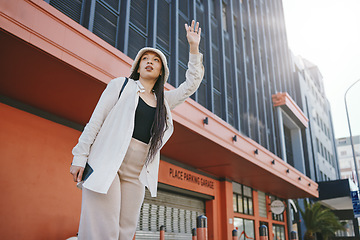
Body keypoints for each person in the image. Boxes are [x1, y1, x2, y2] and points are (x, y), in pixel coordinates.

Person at [70, 20, 204, 240]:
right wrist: (79, 156)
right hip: (108, 161)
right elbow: (95, 122)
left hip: (138, 170)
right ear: (138, 65)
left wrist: (193, 47)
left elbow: (191, 84)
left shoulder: (163, 101)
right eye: (145, 59)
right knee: (104, 226)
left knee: (126, 228)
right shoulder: (120, 86)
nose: (149, 62)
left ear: (162, 71)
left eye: (155, 61)